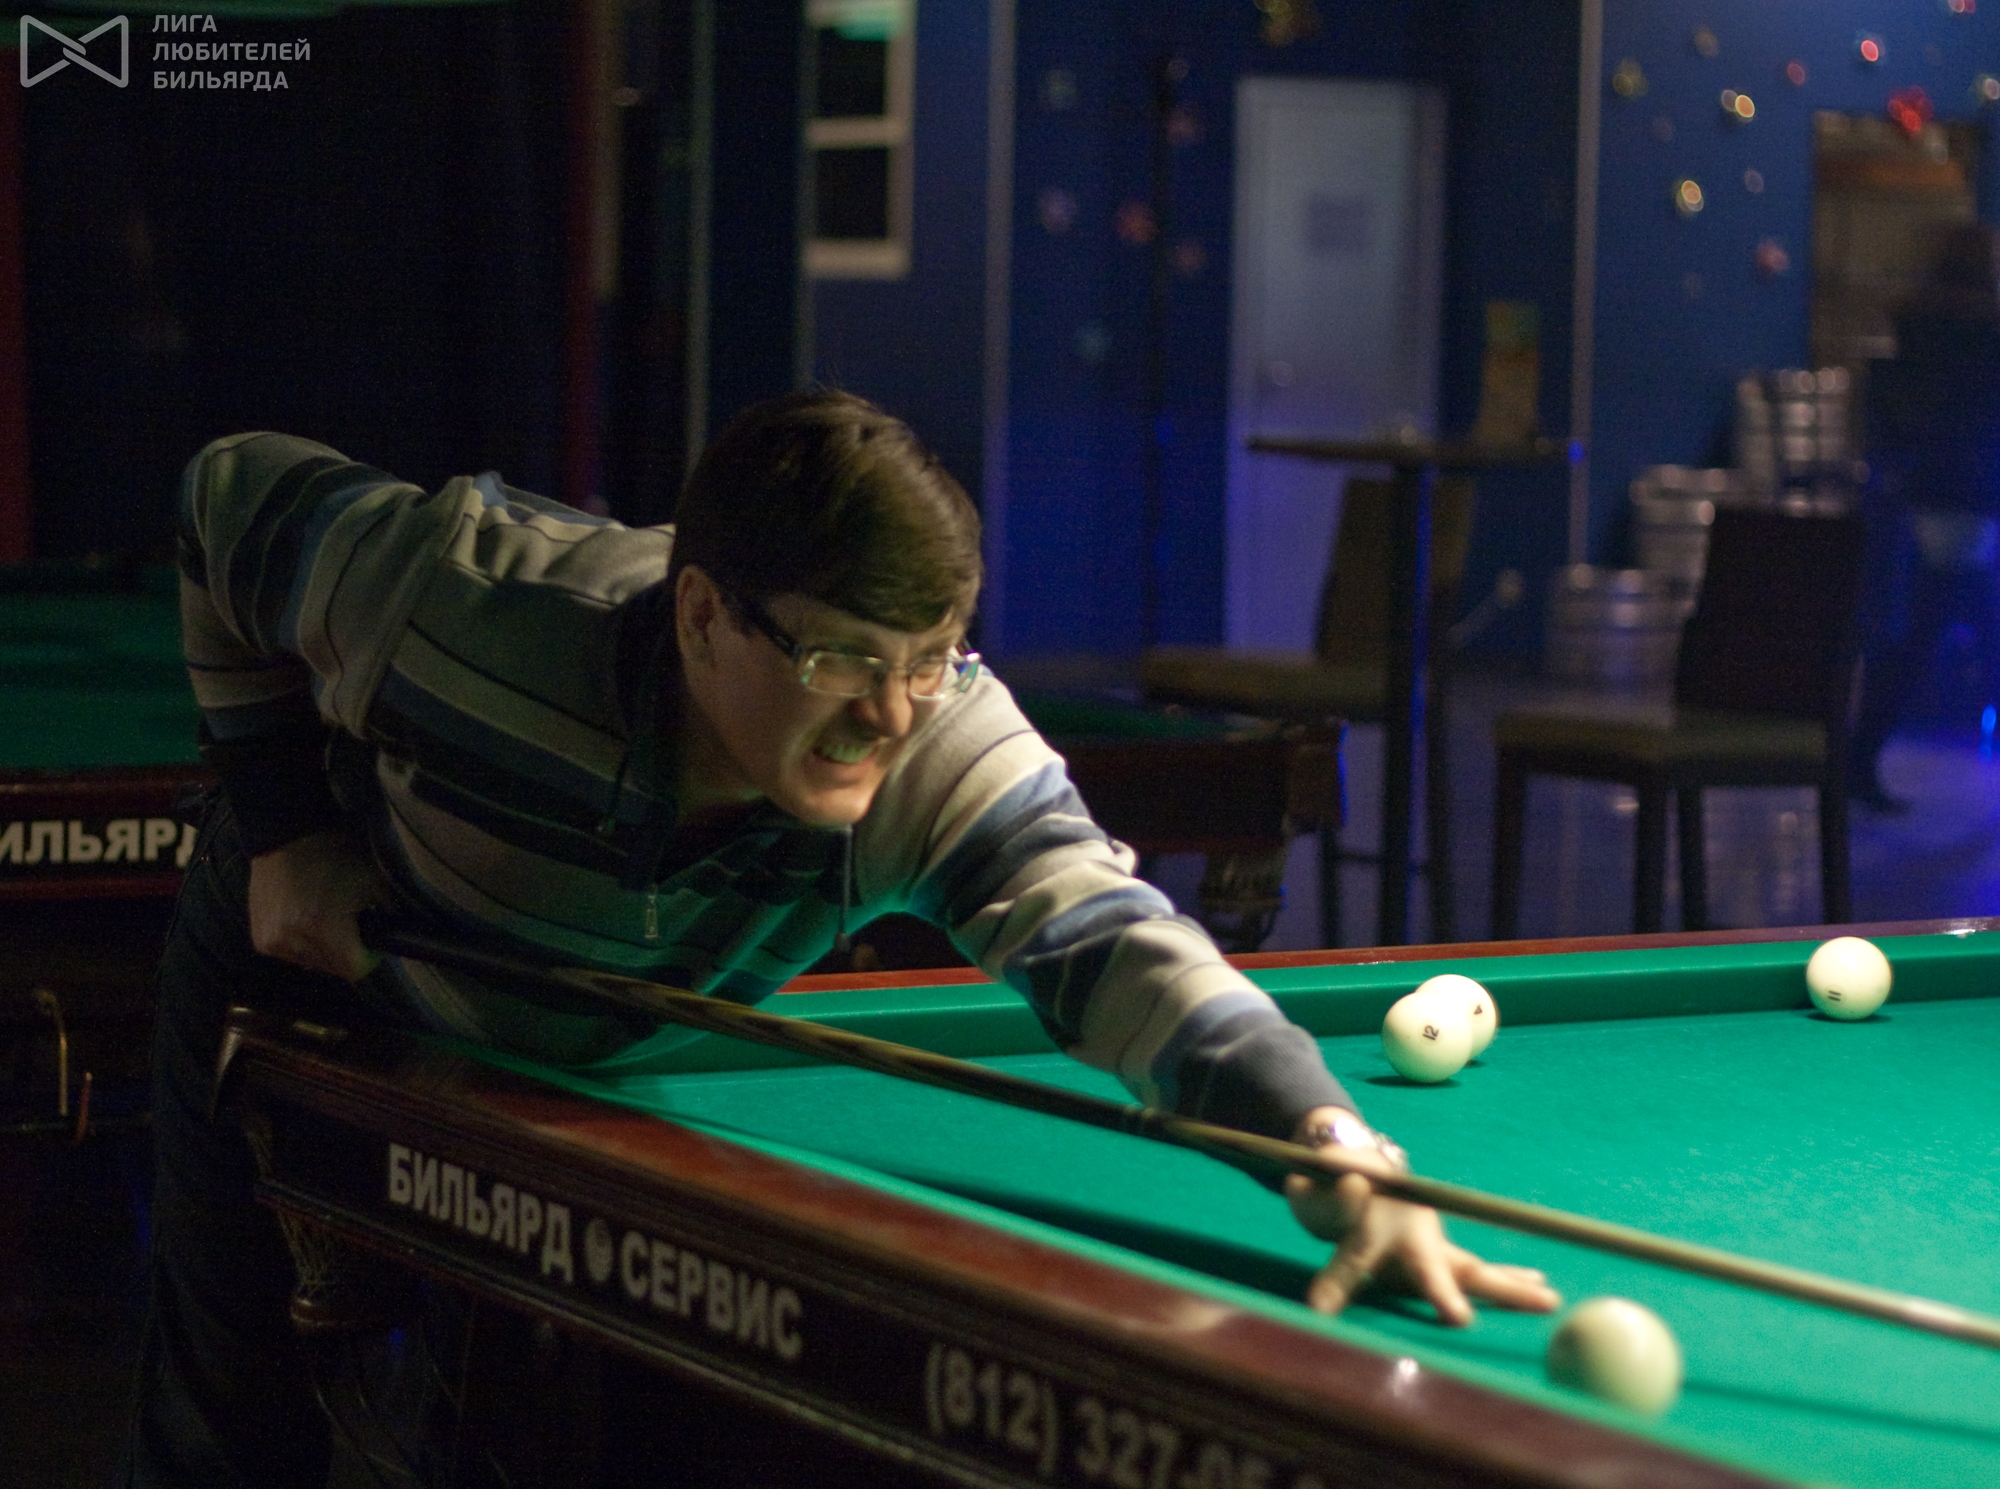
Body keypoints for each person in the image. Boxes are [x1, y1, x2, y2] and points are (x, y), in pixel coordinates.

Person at [123, 390, 1557, 1486]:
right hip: (317, 952)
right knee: (230, 1408)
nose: (887, 714)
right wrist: (284, 829)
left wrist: (1326, 1147)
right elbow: (227, 493)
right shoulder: (466, 600)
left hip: (560, 1036)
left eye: (930, 658)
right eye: (839, 661)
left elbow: (1117, 943)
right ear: (700, 615)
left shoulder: (935, 746)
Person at [1854, 221, 2000, 810]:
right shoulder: (1988, 329)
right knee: (1962, 630)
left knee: (1926, 633)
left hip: (1924, 494)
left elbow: (1891, 410)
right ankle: (1859, 758)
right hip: (1973, 496)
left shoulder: (1915, 324)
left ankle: (1858, 757)